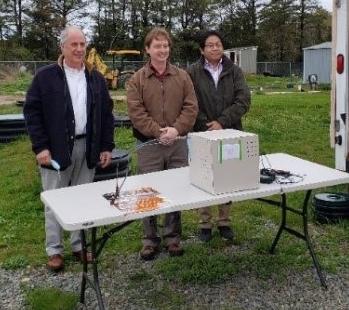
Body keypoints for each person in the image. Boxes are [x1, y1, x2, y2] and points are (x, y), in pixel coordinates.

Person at [24, 26, 115, 272]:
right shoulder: (45, 77)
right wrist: (41, 147)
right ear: (62, 47)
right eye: (73, 44)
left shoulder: (95, 78)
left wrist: (106, 146)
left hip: (88, 147)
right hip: (56, 150)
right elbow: (32, 113)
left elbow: (107, 115)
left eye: (82, 44)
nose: (78, 49)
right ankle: (54, 250)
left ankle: (79, 245)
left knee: (82, 199)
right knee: (55, 200)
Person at [126, 27, 198, 260]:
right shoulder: (137, 80)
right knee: (148, 192)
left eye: (165, 46)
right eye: (157, 46)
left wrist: (177, 129)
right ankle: (149, 240)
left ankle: (172, 238)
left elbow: (191, 106)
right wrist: (158, 132)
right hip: (149, 146)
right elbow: (136, 113)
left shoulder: (182, 76)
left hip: (177, 143)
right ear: (147, 49)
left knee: (176, 190)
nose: (162, 50)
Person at [186, 30, 251, 242]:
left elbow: (243, 100)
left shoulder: (234, 71)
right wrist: (207, 124)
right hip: (202, 132)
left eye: (218, 44)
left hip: (230, 132)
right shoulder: (192, 72)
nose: (215, 48)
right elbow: (190, 102)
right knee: (203, 175)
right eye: (210, 45)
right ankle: (204, 223)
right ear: (202, 50)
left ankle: (224, 221)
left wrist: (222, 122)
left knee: (228, 176)